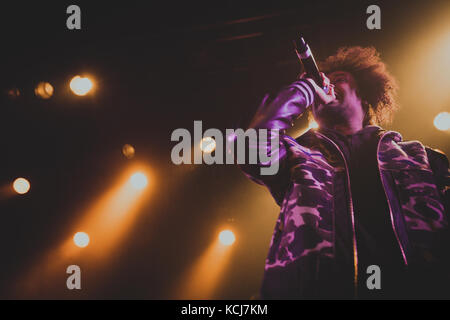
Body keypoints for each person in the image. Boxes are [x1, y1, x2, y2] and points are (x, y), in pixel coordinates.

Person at [240, 46, 450, 299]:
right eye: (319, 82)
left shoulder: (422, 157)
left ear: (363, 95)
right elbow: (251, 148)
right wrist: (305, 89)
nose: (325, 85)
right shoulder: (296, 156)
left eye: (338, 79)